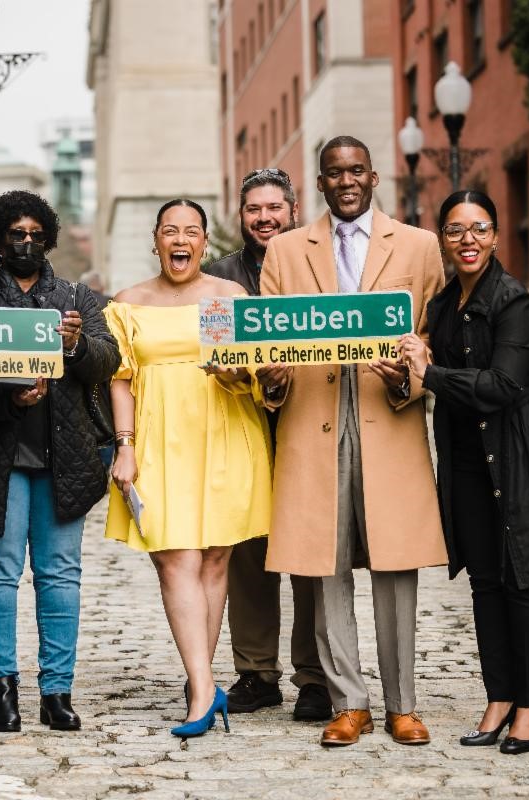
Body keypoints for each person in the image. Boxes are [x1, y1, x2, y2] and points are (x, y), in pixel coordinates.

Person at [259, 135, 447, 747]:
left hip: (386, 417)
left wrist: (411, 380)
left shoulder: (420, 248)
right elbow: (266, 349)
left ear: (374, 177)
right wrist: (273, 380)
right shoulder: (285, 253)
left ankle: (402, 703)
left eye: (356, 170)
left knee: (395, 563)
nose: (346, 181)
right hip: (314, 418)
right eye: (334, 172)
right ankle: (349, 701)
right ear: (319, 183)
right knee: (325, 561)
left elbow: (433, 341)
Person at [398, 190, 529, 755]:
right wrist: (403, 365)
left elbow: (503, 386)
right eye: (456, 230)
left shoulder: (513, 301)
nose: (468, 240)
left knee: (525, 578)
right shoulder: (439, 305)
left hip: (519, 448)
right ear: (442, 238)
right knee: (485, 579)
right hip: (465, 452)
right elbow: (427, 370)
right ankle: (500, 697)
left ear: (495, 235)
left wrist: (430, 373)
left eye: (479, 229)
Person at [0, 190, 120, 733]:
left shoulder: (75, 297)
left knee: (59, 575)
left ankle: (56, 691)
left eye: (34, 235)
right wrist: (0, 394)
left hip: (63, 455)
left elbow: (107, 360)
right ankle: (2, 689)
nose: (25, 243)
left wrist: (74, 347)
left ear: (48, 238)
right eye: (14, 234)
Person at [105, 198, 272, 738]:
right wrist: (124, 445)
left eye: (192, 231)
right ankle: (203, 687)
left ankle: (200, 681)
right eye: (170, 231)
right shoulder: (127, 303)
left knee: (216, 560)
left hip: (225, 429)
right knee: (175, 558)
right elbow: (120, 378)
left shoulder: (230, 297)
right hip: (157, 437)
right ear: (155, 241)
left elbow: (252, 371)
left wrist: (236, 374)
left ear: (204, 243)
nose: (181, 239)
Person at [204, 168, 330, 722]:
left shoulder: (316, 267)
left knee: (307, 555)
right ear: (241, 215)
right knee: (249, 558)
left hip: (306, 425)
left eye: (274, 207)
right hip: (240, 427)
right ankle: (256, 673)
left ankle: (314, 677)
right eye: (254, 209)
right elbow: (206, 352)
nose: (264, 218)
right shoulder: (217, 277)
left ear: (294, 211)